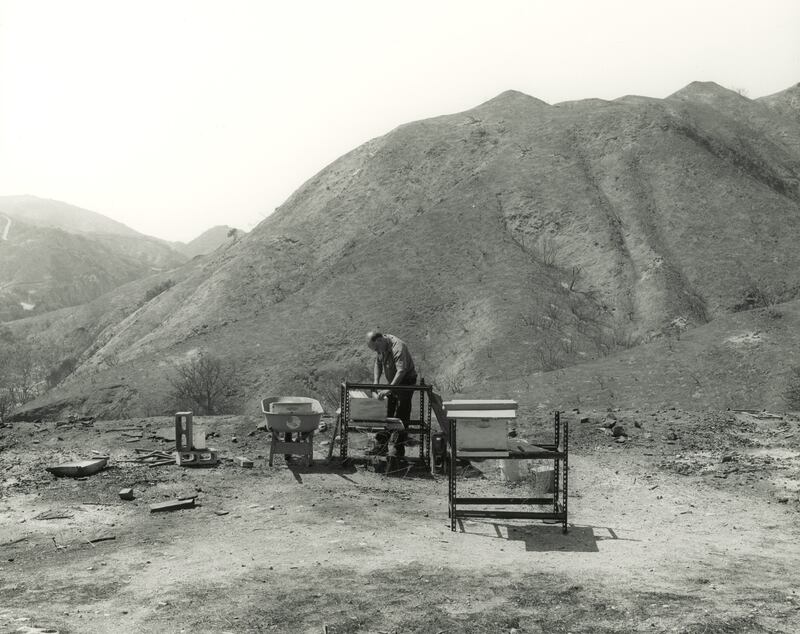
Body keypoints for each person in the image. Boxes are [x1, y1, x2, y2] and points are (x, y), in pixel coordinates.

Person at [365, 331, 418, 458]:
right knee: (386, 411)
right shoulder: (381, 347)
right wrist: (376, 382)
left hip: (406, 381)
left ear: (379, 340)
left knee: (401, 414)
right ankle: (381, 446)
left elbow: (401, 370)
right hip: (394, 382)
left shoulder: (398, 347)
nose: (377, 351)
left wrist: (389, 389)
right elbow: (377, 364)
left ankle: (398, 450)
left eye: (377, 348)